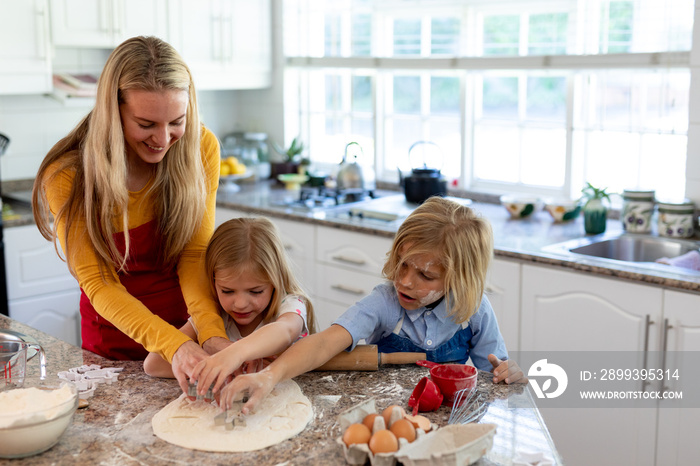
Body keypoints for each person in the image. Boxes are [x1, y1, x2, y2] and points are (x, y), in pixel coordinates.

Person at [31, 36, 230, 395]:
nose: (163, 138)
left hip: (187, 325)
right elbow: (99, 284)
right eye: (146, 123)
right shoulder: (69, 175)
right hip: (113, 340)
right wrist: (174, 346)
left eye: (176, 121)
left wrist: (210, 332)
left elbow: (195, 254)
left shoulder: (201, 146)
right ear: (113, 108)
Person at [201, 196, 527, 411]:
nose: (405, 281)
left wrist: (506, 374)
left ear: (461, 279)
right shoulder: (385, 303)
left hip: (448, 421)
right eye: (402, 264)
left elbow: (491, 378)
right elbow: (324, 343)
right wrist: (268, 376)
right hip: (385, 415)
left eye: (426, 275)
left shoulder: (475, 311)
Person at [144, 217, 315, 380]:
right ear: (213, 281)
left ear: (275, 282)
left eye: (255, 291)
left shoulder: (290, 305)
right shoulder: (210, 315)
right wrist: (220, 368)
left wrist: (234, 355)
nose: (240, 304)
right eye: (227, 291)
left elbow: (285, 331)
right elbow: (154, 365)